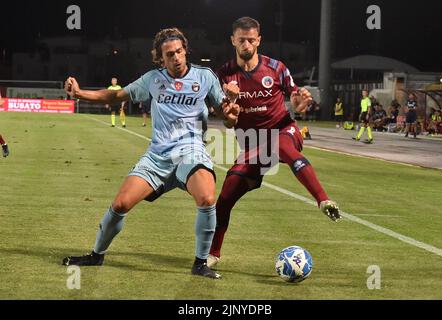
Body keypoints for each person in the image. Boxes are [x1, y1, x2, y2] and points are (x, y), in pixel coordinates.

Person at [61, 27, 240, 279]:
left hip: (191, 153)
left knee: (207, 198)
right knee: (120, 203)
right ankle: (96, 255)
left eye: (179, 51)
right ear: (160, 58)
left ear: (185, 50)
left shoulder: (206, 77)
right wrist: (79, 94)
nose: (176, 57)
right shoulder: (152, 80)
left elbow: (227, 116)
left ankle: (200, 263)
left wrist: (231, 112)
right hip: (157, 156)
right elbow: (114, 97)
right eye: (169, 54)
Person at [207, 17, 340, 268]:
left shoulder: (276, 68)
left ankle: (323, 200)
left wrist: (299, 105)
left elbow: (296, 97)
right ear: (232, 40)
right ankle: (213, 254)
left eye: (251, 40)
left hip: (283, 130)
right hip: (253, 145)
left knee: (282, 145)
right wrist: (228, 102)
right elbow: (226, 122)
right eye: (241, 40)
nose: (246, 44)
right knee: (225, 198)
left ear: (259, 40)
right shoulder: (223, 75)